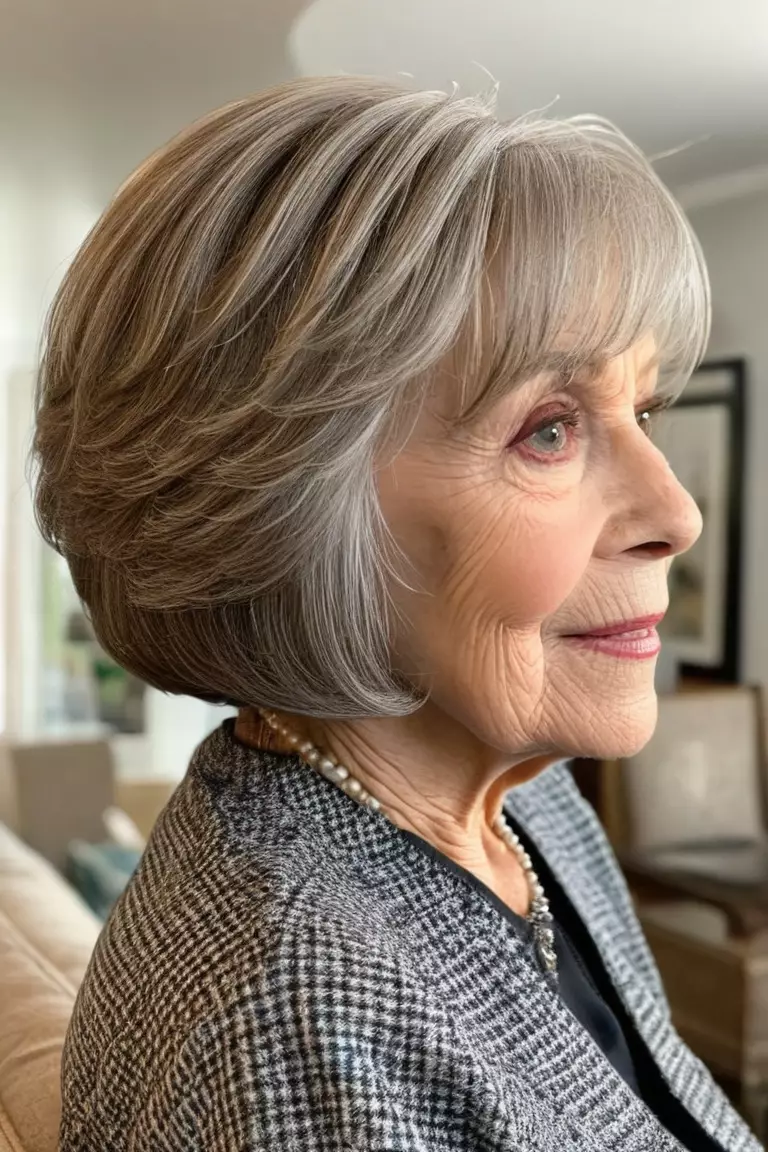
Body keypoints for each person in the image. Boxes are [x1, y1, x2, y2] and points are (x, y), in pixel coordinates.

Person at [34, 75, 758, 1152]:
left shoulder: (527, 800)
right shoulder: (292, 1017)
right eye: (548, 429)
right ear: (278, 506)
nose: (677, 513)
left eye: (641, 409)